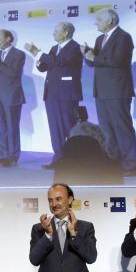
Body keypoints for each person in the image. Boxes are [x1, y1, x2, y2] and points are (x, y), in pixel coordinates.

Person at [82, 9, 136, 176]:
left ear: (110, 21)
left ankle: (130, 166)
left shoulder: (123, 37)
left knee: (122, 128)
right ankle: (113, 163)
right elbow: (94, 63)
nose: (95, 23)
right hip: (101, 91)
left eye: (98, 20)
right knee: (107, 129)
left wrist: (94, 57)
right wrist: (87, 55)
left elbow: (119, 61)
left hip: (118, 90)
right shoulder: (100, 38)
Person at [24, 22, 83, 169]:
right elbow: (44, 67)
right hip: (51, 93)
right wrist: (38, 59)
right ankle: (58, 159)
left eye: (56, 31)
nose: (53, 34)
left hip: (67, 93)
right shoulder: (54, 48)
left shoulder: (75, 48)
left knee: (68, 126)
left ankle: (73, 160)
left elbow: (61, 62)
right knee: (55, 127)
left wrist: (38, 53)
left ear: (66, 33)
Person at [0, 29, 25, 167]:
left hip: (12, 96)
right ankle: (3, 156)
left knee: (12, 127)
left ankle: (13, 156)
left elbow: (13, 73)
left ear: (8, 39)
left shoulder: (19, 54)